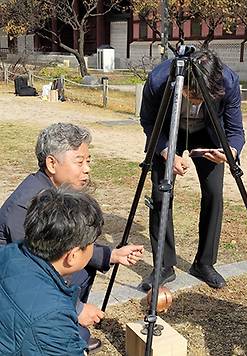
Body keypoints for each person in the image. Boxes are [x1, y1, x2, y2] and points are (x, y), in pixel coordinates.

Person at [0, 122, 144, 352]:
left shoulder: (52, 193)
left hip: (29, 285)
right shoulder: (26, 206)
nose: (87, 169)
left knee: (85, 266)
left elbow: (67, 246)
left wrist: (112, 255)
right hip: (16, 295)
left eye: (88, 161)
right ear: (51, 163)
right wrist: (77, 308)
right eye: (79, 161)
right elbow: (32, 272)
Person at [139, 48, 245, 291]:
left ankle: (204, 263)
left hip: (209, 137)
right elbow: (148, 121)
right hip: (168, 133)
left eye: (203, 97)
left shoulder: (228, 82)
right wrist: (166, 151)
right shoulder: (158, 80)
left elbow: (236, 130)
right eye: (192, 94)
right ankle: (164, 266)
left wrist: (230, 152)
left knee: (214, 194)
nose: (196, 101)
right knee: (160, 195)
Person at [0, 188, 104, 355]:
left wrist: (76, 308)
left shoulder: (10, 252)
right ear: (73, 255)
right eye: (93, 242)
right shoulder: (52, 319)